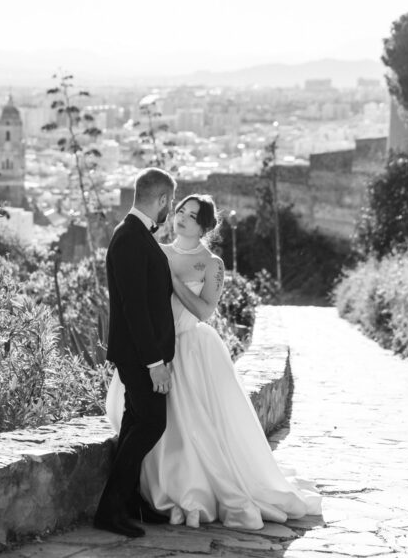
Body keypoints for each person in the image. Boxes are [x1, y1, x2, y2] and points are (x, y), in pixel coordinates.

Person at [106, 194, 322, 530]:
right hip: (155, 351)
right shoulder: (157, 251)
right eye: (180, 211)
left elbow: (205, 311)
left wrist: (175, 283)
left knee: (195, 425)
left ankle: (194, 490)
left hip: (192, 348)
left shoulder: (211, 264)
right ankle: (147, 494)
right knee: (152, 424)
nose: (182, 218)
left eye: (192, 216)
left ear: (205, 226)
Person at [94, 167, 178, 538]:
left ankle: (128, 502)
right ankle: (109, 510)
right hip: (138, 356)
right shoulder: (129, 237)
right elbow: (135, 308)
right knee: (152, 423)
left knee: (134, 423)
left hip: (141, 353)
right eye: (169, 203)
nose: (169, 211)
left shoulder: (134, 235)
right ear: (160, 199)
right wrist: (155, 363)